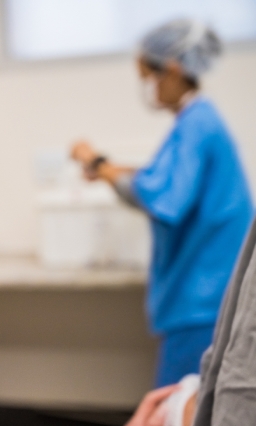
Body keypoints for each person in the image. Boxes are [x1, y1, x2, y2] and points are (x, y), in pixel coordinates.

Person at [71, 19, 253, 387]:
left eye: (147, 77)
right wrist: (106, 167)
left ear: (171, 69)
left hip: (203, 302)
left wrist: (98, 164)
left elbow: (162, 196)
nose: (147, 88)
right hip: (208, 295)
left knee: (177, 417)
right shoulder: (198, 121)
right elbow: (158, 175)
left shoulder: (195, 126)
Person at [116, 216, 256, 426]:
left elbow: (167, 198)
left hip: (196, 305)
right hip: (201, 302)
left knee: (165, 418)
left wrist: (110, 175)